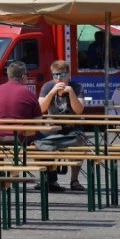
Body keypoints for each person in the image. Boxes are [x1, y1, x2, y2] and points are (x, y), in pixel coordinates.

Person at [0, 60, 64, 193]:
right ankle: (50, 180)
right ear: (23, 77)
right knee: (47, 139)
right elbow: (38, 122)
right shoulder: (27, 92)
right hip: (21, 138)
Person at [39, 60, 86, 191]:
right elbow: (40, 108)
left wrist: (71, 93)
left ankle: (74, 180)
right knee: (39, 143)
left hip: (72, 127)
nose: (59, 78)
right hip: (53, 127)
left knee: (80, 143)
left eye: (62, 74)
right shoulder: (47, 87)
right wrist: (51, 93)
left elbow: (79, 110)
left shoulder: (76, 87)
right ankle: (50, 179)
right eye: (55, 75)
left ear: (68, 74)